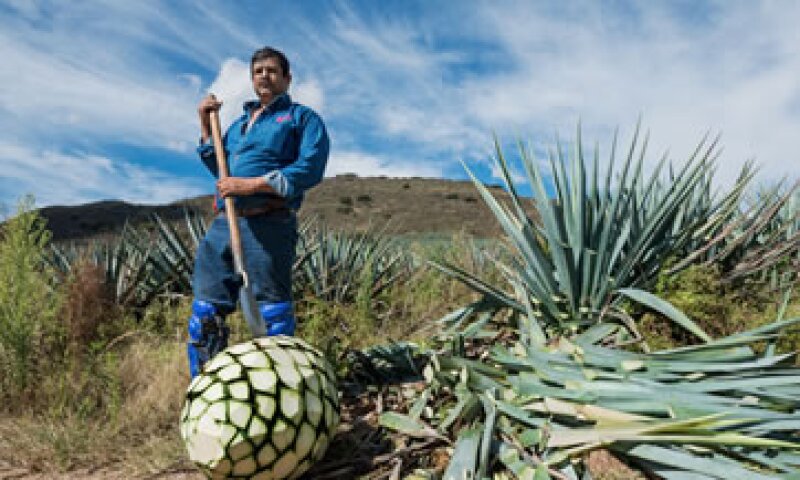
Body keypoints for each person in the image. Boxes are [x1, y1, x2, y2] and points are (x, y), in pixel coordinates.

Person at [187, 46, 330, 378]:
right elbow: (222, 171)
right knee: (206, 312)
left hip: (269, 223)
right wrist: (206, 126)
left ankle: (281, 389)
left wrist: (250, 187)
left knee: (273, 313)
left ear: (286, 77)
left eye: (271, 70)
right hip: (225, 224)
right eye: (258, 71)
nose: (264, 75)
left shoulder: (301, 118)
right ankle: (205, 389)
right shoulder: (237, 125)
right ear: (252, 79)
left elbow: (310, 168)